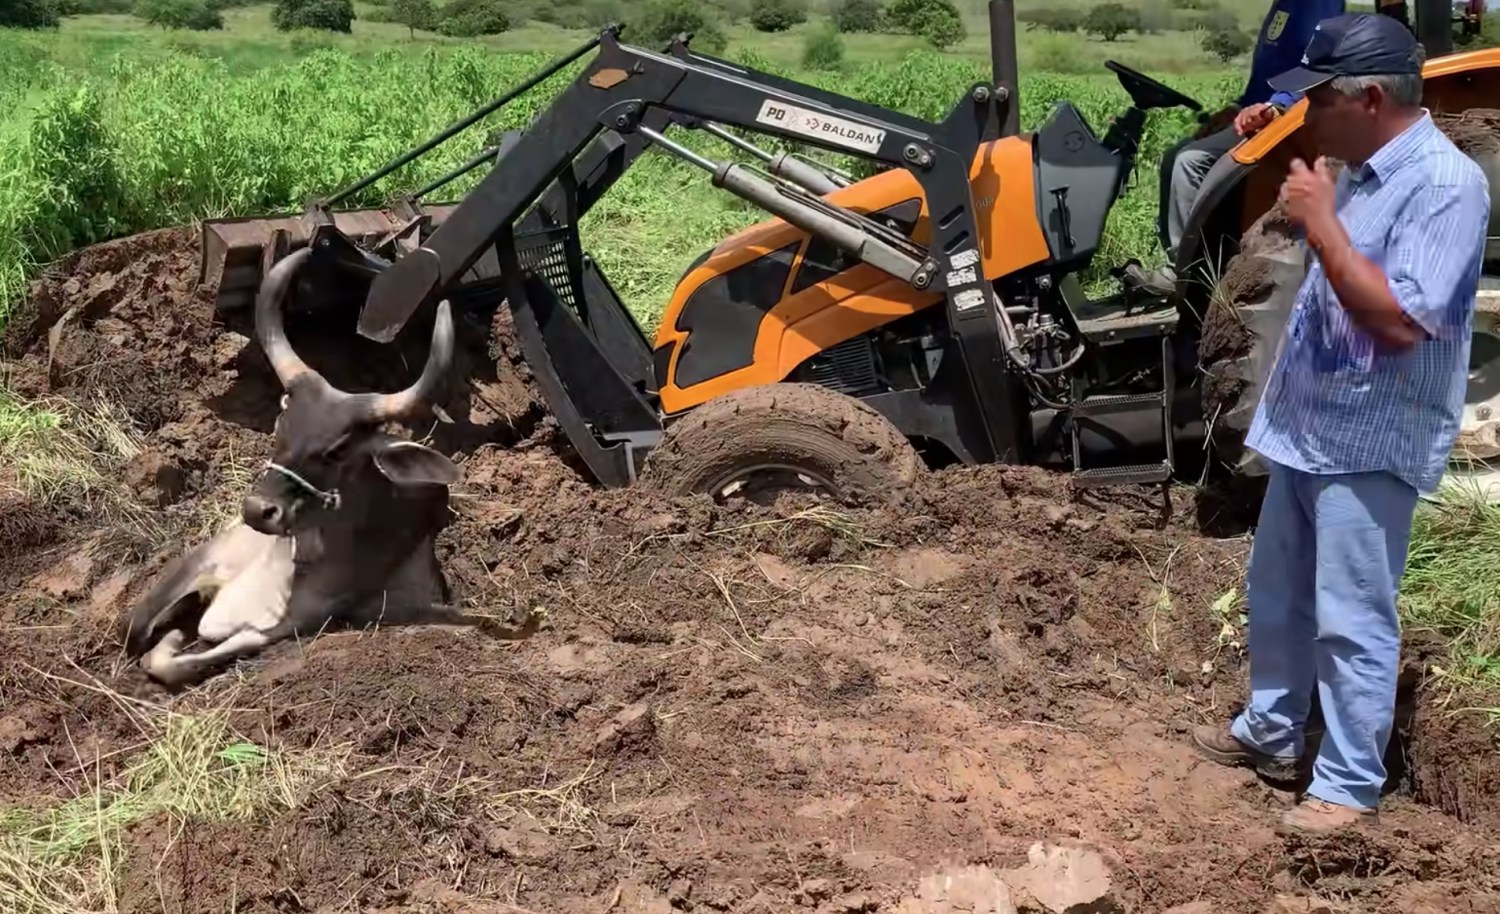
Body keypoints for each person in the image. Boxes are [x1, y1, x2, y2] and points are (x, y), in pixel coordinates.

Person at [1190, 12, 1490, 834]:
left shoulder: (1445, 185)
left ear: (1365, 98)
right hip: (1312, 424)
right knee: (1278, 592)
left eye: (1314, 99)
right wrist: (1276, 136)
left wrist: (1319, 220)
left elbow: (1399, 322)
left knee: (1353, 616)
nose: (1306, 113)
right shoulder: (1358, 161)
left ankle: (1350, 783)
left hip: (1371, 434)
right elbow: (1320, 193)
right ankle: (1274, 732)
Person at [1126, 0, 1346, 295]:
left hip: (1287, 116)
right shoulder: (1285, 5)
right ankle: (1199, 260)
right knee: (1174, 157)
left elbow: (1319, 63)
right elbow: (1268, 75)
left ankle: (1186, 276)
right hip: (1262, 111)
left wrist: (1275, 106)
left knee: (1190, 161)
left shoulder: (1317, 4)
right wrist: (1236, 107)